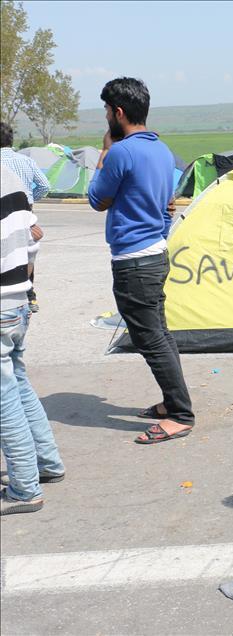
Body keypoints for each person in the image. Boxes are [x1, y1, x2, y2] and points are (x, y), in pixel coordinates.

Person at [87, 77, 195, 445]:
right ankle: (172, 403)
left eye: (106, 111)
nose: (105, 117)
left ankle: (180, 413)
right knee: (159, 333)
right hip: (155, 253)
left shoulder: (121, 152)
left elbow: (97, 199)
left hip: (133, 260)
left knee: (149, 338)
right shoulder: (162, 152)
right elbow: (167, 207)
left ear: (118, 113)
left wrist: (104, 154)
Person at [0, 164, 65, 515]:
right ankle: (47, 463)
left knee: (4, 399)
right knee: (18, 384)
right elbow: (33, 237)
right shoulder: (10, 175)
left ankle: (25, 488)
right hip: (19, 299)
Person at [2, 121, 51, 313]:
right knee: (27, 253)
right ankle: (29, 297)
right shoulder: (26, 161)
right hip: (25, 213)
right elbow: (45, 186)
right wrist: (29, 201)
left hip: (3, 213)